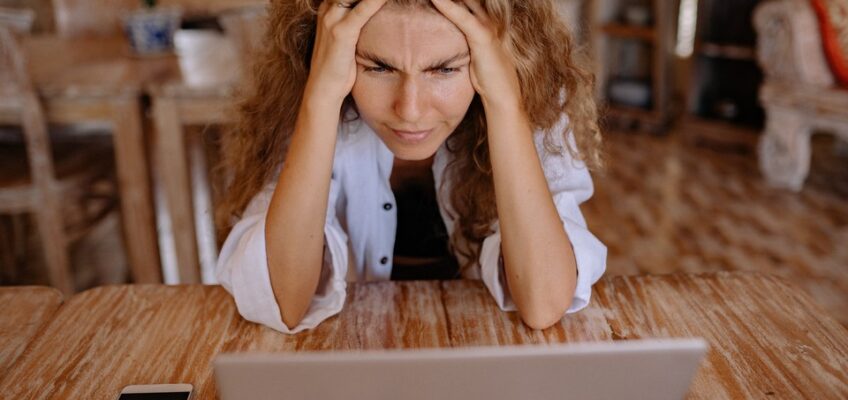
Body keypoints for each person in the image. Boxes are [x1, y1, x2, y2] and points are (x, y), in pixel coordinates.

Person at [216, 0, 607, 334]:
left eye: (445, 69)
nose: (411, 110)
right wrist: (320, 98)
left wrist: (504, 103)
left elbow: (544, 303)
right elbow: (282, 302)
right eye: (378, 68)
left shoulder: (533, 103)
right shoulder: (306, 101)